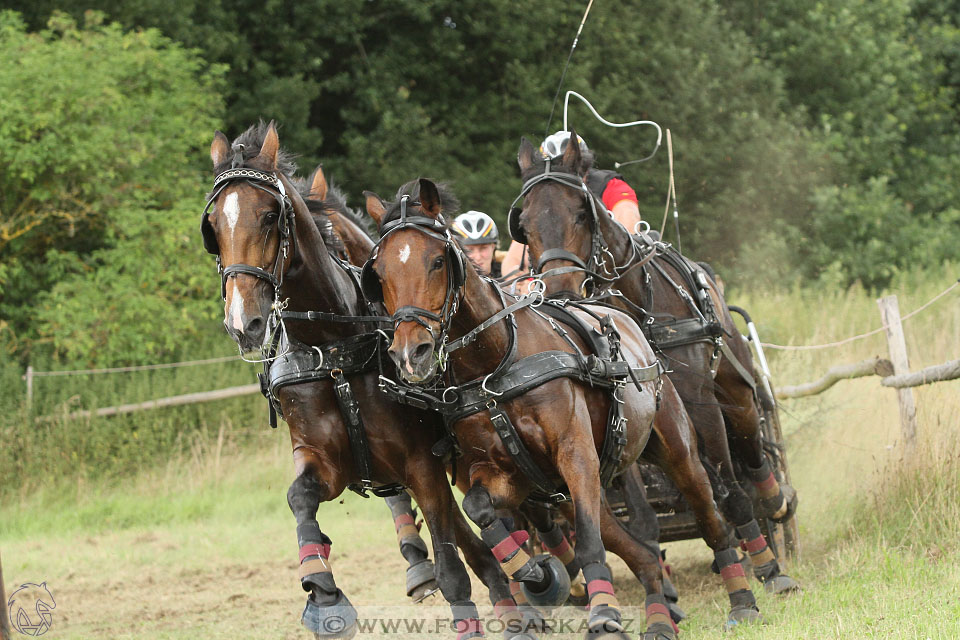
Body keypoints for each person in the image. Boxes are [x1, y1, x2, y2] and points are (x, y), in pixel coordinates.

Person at [501, 131, 643, 276]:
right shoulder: (540, 202)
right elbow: (512, 260)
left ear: (585, 166)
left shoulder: (611, 186)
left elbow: (628, 224)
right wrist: (522, 282)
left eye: (572, 169)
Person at [451, 210, 502, 277]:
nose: (478, 257)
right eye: (469, 250)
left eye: (483, 248)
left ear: (493, 247)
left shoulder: (511, 276)